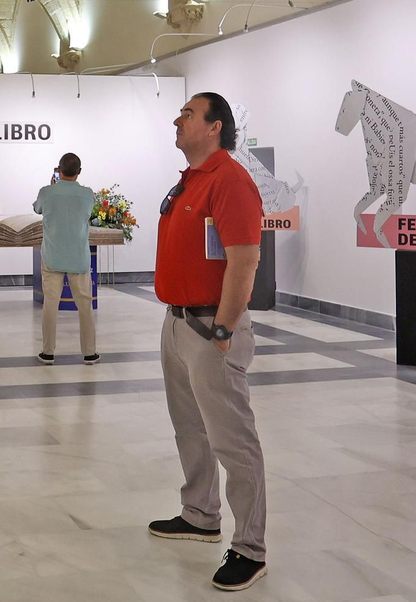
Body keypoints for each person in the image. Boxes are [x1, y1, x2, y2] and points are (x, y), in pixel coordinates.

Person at [148, 92, 267, 592]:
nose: (177, 120)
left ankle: (250, 548)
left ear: (215, 126)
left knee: (233, 441)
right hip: (178, 323)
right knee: (190, 429)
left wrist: (224, 327)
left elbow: (244, 259)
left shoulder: (230, 181)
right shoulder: (191, 180)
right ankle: (199, 514)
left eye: (188, 114)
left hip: (209, 328)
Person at [31, 153, 99, 365]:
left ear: (58, 170)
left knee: (50, 305)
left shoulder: (46, 192)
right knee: (85, 306)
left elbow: (37, 208)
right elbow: (88, 213)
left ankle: (48, 352)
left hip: (52, 256)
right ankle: (89, 353)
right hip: (78, 258)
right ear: (79, 172)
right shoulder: (87, 194)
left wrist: (53, 187)